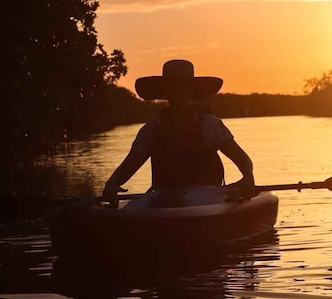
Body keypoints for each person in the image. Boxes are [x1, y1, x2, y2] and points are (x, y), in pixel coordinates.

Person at [102, 59, 256, 205]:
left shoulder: (209, 125)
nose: (177, 93)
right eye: (172, 87)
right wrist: (112, 184)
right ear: (166, 92)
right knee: (153, 204)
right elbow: (130, 164)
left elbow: (242, 159)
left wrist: (247, 176)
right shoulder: (153, 129)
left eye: (182, 87)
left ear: (191, 91)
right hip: (163, 196)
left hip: (207, 195)